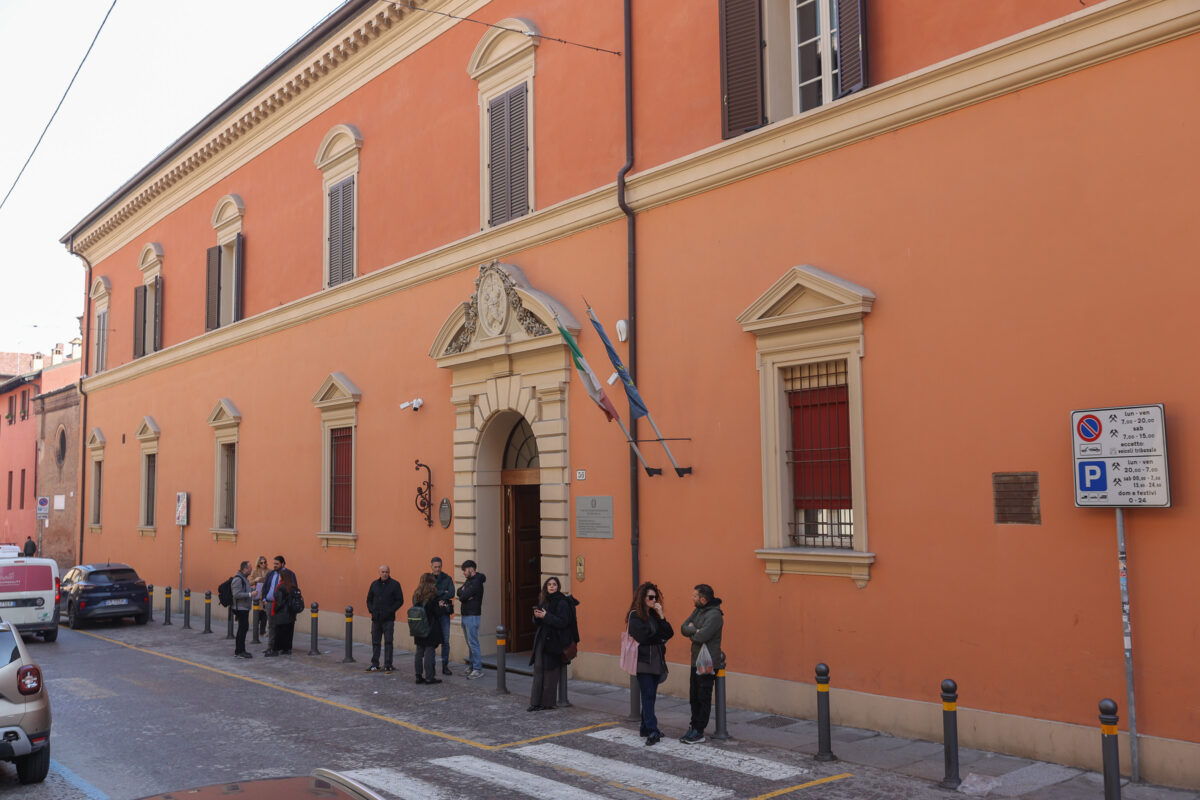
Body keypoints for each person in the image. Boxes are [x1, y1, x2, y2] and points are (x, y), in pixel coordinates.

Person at [628, 581, 673, 745]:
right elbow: (643, 637)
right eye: (651, 597)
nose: (654, 600)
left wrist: (661, 615)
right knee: (647, 695)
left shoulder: (654, 616)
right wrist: (659, 638)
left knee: (651, 696)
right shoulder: (635, 616)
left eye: (655, 597)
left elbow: (669, 632)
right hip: (643, 661)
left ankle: (644, 727)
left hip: (656, 661)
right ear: (642, 598)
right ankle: (652, 730)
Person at [679, 583, 723, 744]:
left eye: (695, 596)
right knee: (694, 697)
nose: (693, 598)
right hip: (695, 661)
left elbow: (701, 637)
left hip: (708, 663)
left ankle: (699, 731)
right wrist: (694, 630)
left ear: (703, 599)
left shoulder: (714, 615)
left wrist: (695, 631)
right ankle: (693, 726)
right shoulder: (698, 610)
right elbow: (683, 628)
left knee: (703, 697)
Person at [528, 576, 571, 711]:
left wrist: (546, 616)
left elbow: (563, 622)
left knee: (550, 672)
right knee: (538, 670)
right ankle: (535, 702)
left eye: (554, 584)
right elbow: (537, 622)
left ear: (558, 587)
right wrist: (536, 617)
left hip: (554, 641)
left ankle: (547, 703)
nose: (552, 587)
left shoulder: (562, 602)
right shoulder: (543, 600)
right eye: (549, 585)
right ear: (546, 587)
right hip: (542, 638)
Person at [365, 565, 404, 673]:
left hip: (388, 619)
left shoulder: (395, 585)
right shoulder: (374, 584)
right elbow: (369, 599)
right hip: (376, 618)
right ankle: (375, 664)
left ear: (389, 572)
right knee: (375, 642)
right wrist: (372, 610)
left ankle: (388, 664)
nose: (385, 574)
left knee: (388, 642)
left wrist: (391, 610)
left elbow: (400, 600)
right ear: (379, 572)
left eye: (386, 572)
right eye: (383, 572)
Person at [261, 555, 298, 656]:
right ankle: (271, 647)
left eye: (277, 564)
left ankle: (281, 647)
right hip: (270, 603)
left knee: (281, 626)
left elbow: (294, 589)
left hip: (282, 606)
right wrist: (264, 599)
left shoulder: (290, 574)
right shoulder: (271, 574)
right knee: (271, 626)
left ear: (283, 564)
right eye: (274, 564)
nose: (275, 566)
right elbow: (265, 587)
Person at [410, 573, 443, 685]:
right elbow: (437, 613)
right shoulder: (433, 597)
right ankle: (429, 677)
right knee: (429, 651)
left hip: (418, 627)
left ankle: (418, 676)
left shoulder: (416, 595)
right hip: (430, 628)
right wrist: (441, 606)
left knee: (419, 652)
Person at [456, 560, 485, 679]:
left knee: (473, 643)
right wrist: (464, 593)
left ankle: (477, 669)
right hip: (466, 614)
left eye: (464, 570)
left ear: (471, 569)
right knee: (470, 643)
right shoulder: (469, 581)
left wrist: (464, 594)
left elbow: (463, 597)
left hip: (473, 615)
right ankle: (472, 666)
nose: (463, 573)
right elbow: (459, 592)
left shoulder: (477, 582)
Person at [430, 557, 455, 675]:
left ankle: (445, 666)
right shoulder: (427, 579)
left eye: (439, 566)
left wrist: (438, 594)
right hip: (432, 614)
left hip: (444, 614)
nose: (437, 569)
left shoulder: (447, 578)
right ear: (431, 567)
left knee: (446, 640)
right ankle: (432, 665)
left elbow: (451, 593)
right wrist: (442, 593)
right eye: (435, 567)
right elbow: (428, 593)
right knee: (433, 641)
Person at [271, 568, 299, 655]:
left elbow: (279, 602)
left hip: (282, 614)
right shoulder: (293, 586)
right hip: (291, 614)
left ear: (282, 577)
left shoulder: (280, 587)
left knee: (279, 632)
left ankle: (276, 649)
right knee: (289, 632)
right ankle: (287, 649)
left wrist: (274, 611)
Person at [231, 560, 254, 659]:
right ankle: (239, 651)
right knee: (242, 629)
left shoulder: (244, 578)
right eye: (250, 568)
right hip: (240, 608)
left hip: (244, 608)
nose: (251, 570)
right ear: (245, 569)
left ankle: (241, 650)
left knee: (243, 629)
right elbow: (236, 594)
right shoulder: (238, 579)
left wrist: (252, 591)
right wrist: (250, 594)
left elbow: (245, 590)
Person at [249, 556, 271, 637]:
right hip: (257, 595)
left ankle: (262, 632)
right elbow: (250, 582)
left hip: (265, 594)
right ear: (258, 563)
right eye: (261, 562)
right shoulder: (255, 571)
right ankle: (255, 631)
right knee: (257, 614)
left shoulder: (269, 571)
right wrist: (256, 580)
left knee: (264, 614)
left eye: (265, 562)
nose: (263, 564)